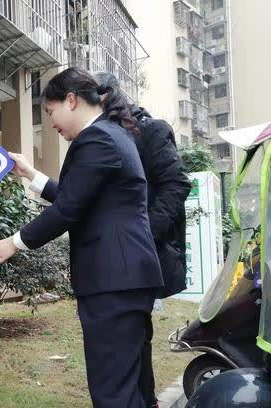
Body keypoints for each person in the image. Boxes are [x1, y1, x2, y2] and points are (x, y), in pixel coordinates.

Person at [0, 67, 164, 408]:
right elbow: (80, 199)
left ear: (71, 100)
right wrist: (31, 174)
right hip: (127, 279)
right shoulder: (113, 134)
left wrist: (14, 242)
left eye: (51, 111)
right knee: (134, 383)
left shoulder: (96, 138)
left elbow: (68, 209)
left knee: (113, 389)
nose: (52, 123)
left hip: (112, 282)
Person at [93, 71, 191, 408]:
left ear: (105, 98)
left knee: (134, 334)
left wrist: (143, 235)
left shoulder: (151, 130)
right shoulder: (101, 138)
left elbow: (176, 185)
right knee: (132, 337)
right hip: (114, 260)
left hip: (140, 253)